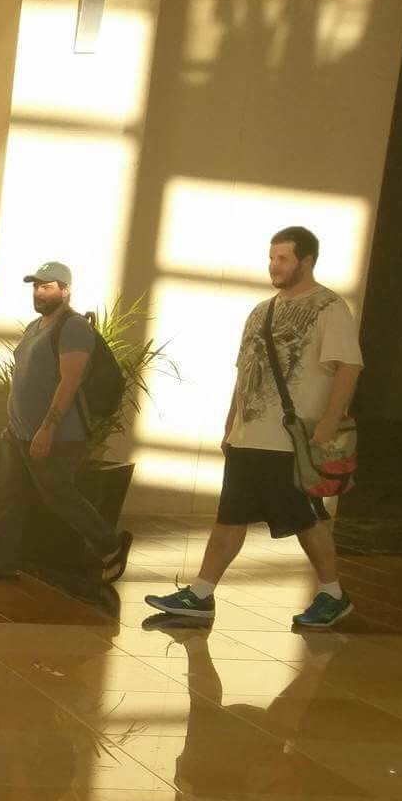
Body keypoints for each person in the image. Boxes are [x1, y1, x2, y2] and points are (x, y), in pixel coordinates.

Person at [148, 226, 361, 630]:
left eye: (283, 258)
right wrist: (232, 420)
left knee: (306, 519)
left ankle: (333, 594)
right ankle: (201, 593)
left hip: (289, 441)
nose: (274, 266)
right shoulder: (261, 311)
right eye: (271, 258)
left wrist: (330, 422)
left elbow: (348, 366)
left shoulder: (329, 307)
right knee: (231, 515)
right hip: (249, 437)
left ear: (306, 261)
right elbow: (245, 370)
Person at [0, 260, 130, 588]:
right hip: (17, 431)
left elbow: (69, 381)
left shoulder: (73, 328)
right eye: (36, 286)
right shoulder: (34, 327)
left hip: (56, 434)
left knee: (59, 495)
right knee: (5, 495)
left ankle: (111, 546)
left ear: (65, 291)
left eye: (47, 286)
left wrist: (47, 429)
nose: (39, 292)